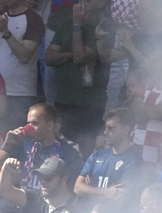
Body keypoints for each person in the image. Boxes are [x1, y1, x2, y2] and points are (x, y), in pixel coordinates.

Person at [45, 0, 109, 155]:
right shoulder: (66, 23)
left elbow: (80, 57)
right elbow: (49, 58)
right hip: (64, 102)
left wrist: (77, 27)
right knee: (62, 151)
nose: (81, 3)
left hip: (90, 105)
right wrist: (70, 54)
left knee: (87, 151)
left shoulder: (102, 28)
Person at [0, 0, 43, 131]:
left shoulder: (33, 19)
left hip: (19, 93)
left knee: (16, 142)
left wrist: (5, 31)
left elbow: (25, 56)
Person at [1, 103, 83, 193]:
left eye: (35, 123)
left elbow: (73, 187)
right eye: (28, 123)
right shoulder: (25, 145)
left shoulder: (68, 152)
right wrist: (7, 144)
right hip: (25, 201)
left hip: (49, 203)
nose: (28, 128)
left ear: (50, 126)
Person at [74, 108, 144, 202]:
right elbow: (77, 187)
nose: (105, 132)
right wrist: (105, 192)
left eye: (111, 128)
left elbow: (121, 198)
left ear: (126, 130)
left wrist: (89, 190)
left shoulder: (135, 161)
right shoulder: (97, 155)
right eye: (105, 127)